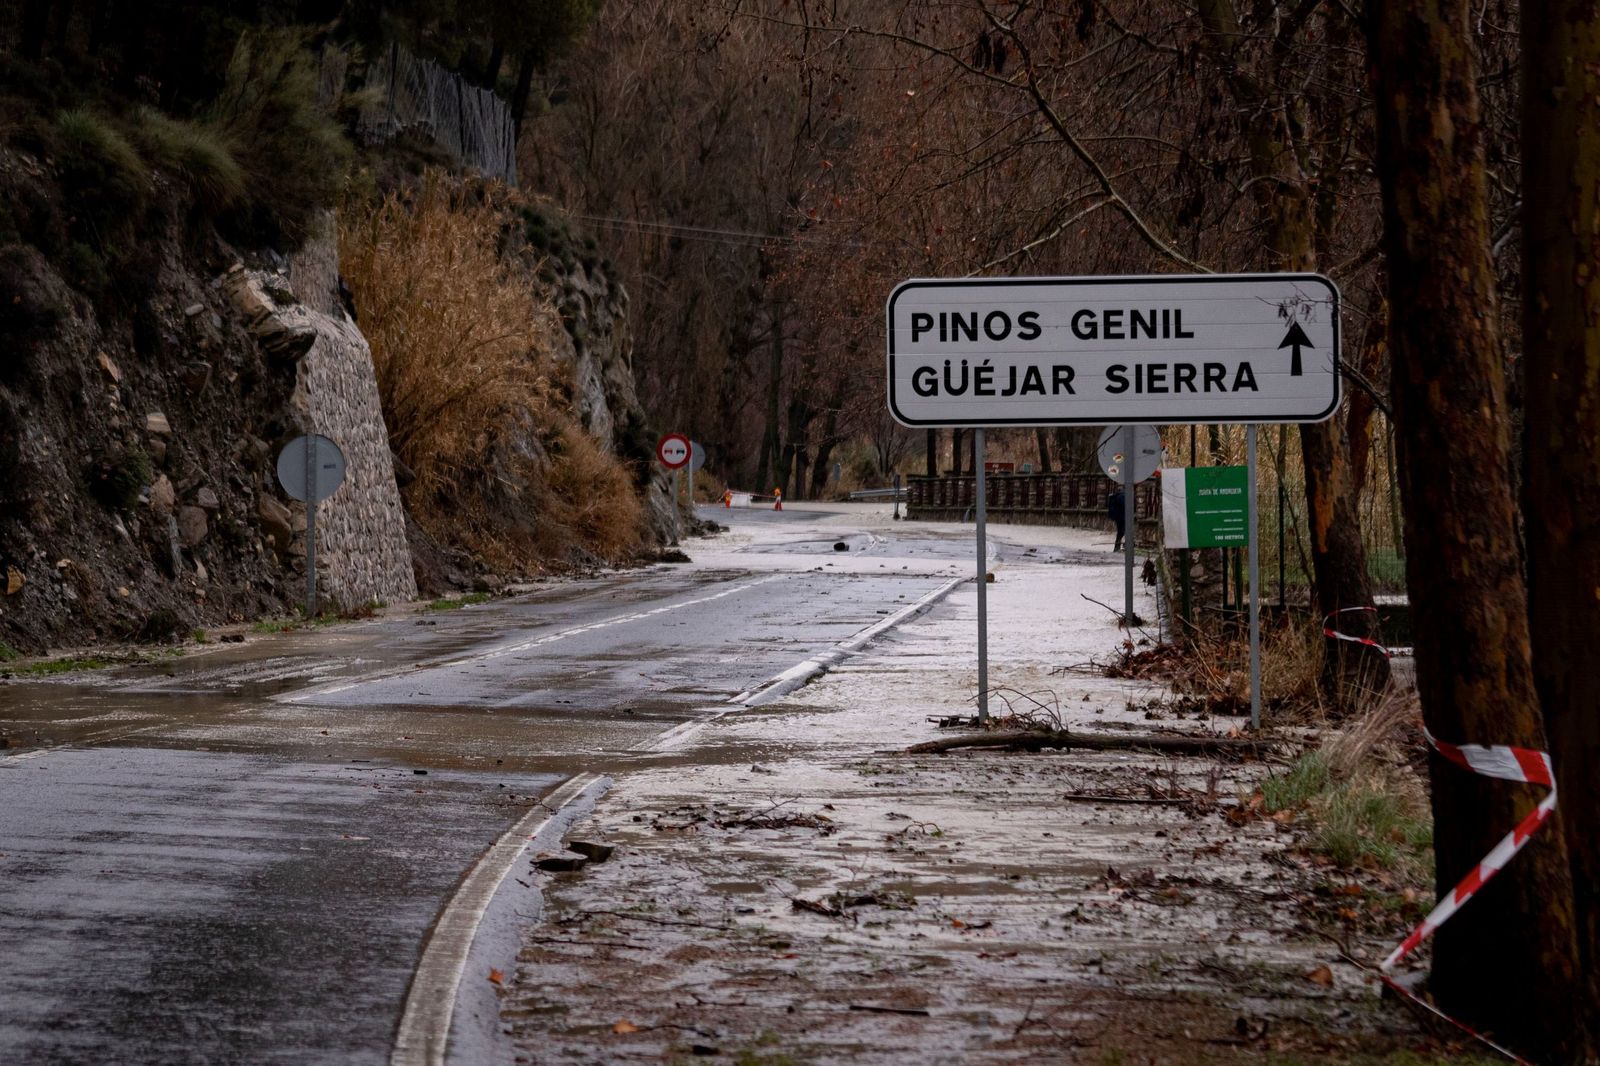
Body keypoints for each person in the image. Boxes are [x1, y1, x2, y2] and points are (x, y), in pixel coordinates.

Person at [1107, 487, 1126, 551]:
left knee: (1120, 532)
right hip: (1122, 517)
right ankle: (1122, 546)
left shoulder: (1115, 496)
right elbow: (1124, 505)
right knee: (1123, 531)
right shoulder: (1121, 497)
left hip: (1118, 517)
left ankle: (1117, 546)